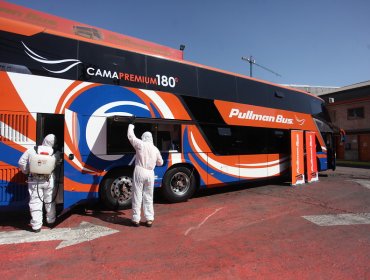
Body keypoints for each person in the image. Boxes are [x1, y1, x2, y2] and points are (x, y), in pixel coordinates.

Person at [18, 134, 61, 232]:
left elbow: (21, 162)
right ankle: (51, 220)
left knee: (35, 202)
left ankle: (36, 226)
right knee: (49, 200)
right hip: (49, 180)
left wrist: (27, 171)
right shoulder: (56, 153)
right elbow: (58, 162)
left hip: (34, 180)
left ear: (44, 140)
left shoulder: (31, 150)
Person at [127, 122, 163, 227]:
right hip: (150, 173)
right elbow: (160, 162)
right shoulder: (155, 149)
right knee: (149, 195)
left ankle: (136, 219)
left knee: (137, 194)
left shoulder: (140, 144)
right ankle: (149, 219)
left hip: (140, 170)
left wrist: (131, 125)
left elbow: (131, 136)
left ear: (143, 137)